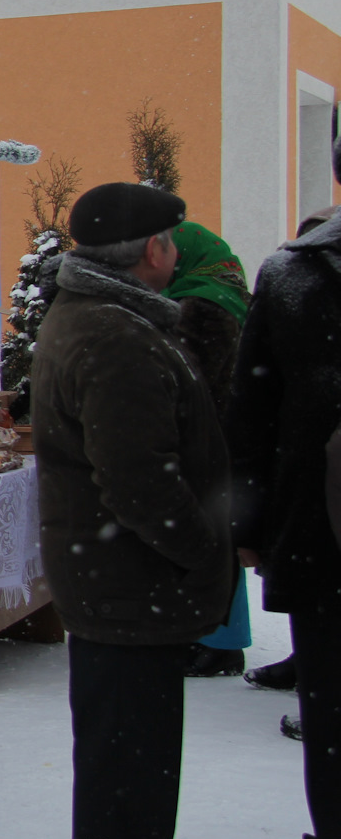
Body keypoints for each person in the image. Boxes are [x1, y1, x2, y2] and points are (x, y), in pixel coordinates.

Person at [33, 181, 233, 839]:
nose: (176, 253)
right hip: (126, 580)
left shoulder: (107, 318)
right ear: (152, 251)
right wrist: (203, 548)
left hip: (121, 579)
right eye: (172, 241)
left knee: (137, 754)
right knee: (128, 756)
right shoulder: (114, 334)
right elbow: (139, 481)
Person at [229, 144, 341, 839]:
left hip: (316, 521)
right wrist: (249, 521)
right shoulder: (295, 274)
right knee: (330, 710)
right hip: (321, 527)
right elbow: (254, 408)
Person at [157, 222, 252, 679]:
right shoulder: (228, 292)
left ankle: (217, 642)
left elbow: (193, 385)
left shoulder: (198, 306)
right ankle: (221, 638)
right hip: (229, 436)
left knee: (206, 539)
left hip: (205, 440)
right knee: (219, 534)